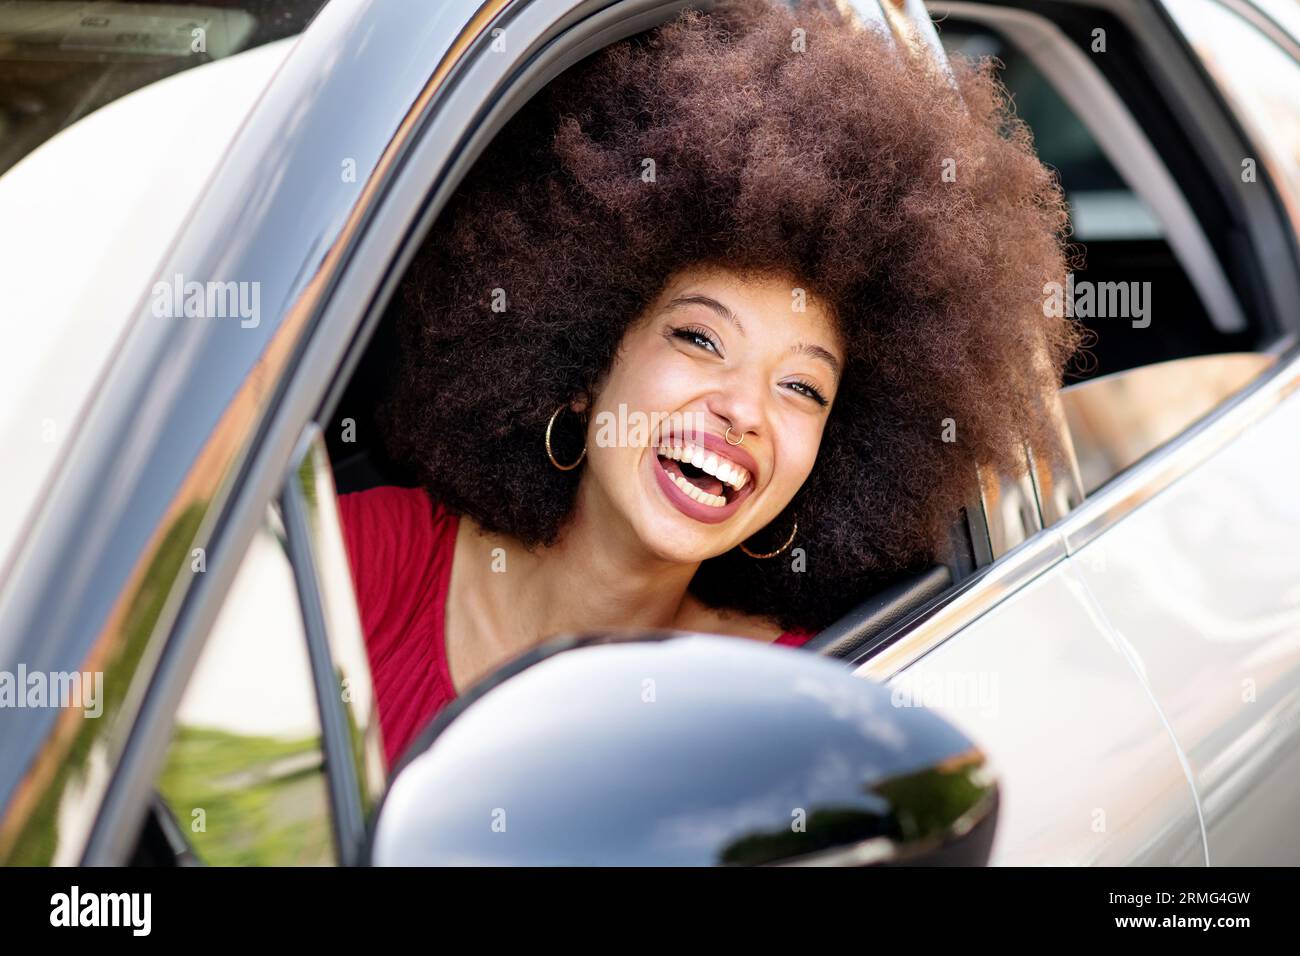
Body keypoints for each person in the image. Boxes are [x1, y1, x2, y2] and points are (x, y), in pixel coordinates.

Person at [339, 0, 1082, 766]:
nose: (743, 409)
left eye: (802, 388)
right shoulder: (355, 567)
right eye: (699, 339)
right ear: (584, 359)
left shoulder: (795, 702)